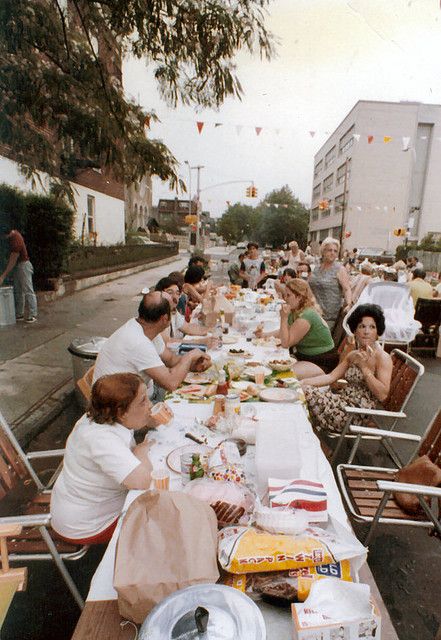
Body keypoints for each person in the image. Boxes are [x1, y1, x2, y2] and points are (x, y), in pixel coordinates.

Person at [50, 373, 154, 543]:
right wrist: (140, 452)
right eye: (143, 401)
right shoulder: (102, 440)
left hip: (81, 504)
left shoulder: (103, 416)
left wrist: (152, 418)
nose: (149, 405)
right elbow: (143, 482)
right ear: (121, 412)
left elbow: (134, 423)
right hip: (86, 525)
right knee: (158, 516)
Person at [93, 291, 211, 394]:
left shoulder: (145, 328)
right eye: (173, 311)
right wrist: (190, 356)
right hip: (115, 408)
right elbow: (171, 383)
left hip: (135, 397)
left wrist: (193, 364)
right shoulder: (138, 342)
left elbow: (170, 359)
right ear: (164, 319)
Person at [301, 304, 393, 434]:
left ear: (378, 332)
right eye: (362, 326)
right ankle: (318, 445)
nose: (366, 331)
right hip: (342, 403)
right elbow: (331, 377)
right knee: (302, 391)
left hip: (355, 413)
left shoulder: (382, 357)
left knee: (305, 396)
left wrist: (364, 367)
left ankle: (318, 445)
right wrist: (301, 383)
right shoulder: (354, 354)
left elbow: (382, 395)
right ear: (355, 331)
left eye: (372, 327)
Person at [256, 279, 335, 377]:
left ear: (299, 297)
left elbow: (286, 343)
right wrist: (264, 335)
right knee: (267, 364)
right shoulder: (295, 310)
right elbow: (286, 331)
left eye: (288, 295)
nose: (285, 298)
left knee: (281, 374)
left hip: (320, 361)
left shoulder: (307, 315)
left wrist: (283, 318)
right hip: (304, 356)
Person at [308, 237, 352, 332]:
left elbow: (347, 289)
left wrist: (348, 304)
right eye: (330, 250)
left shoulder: (339, 269)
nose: (333, 253)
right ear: (323, 251)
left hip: (328, 317)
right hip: (312, 312)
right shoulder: (317, 268)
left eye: (335, 251)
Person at [0, 226, 38, 323]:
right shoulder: (13, 234)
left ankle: (33, 314)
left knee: (28, 289)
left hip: (24, 265)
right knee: (18, 290)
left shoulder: (15, 239)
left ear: (7, 234)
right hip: (19, 266)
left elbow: (13, 260)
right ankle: (19, 314)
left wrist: (3, 276)